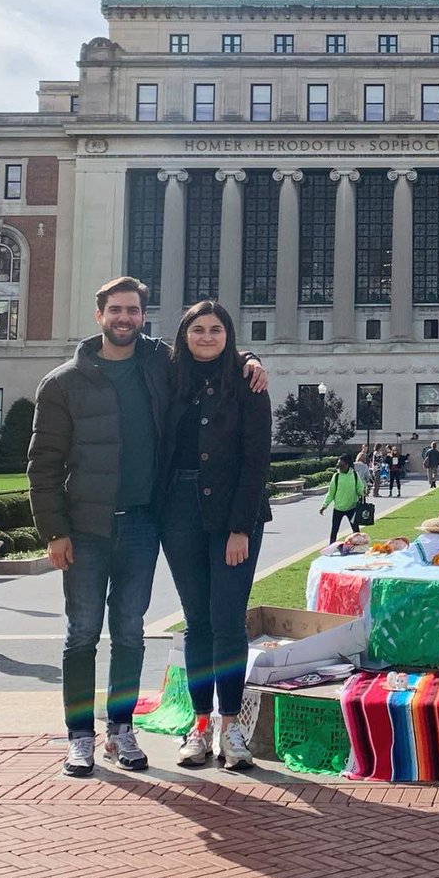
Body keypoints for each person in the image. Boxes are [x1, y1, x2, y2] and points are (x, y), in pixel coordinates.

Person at [27, 276, 266, 778]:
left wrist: (249, 360)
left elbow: (252, 454)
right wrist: (53, 530)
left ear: (143, 317)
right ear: (100, 315)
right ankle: (84, 736)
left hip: (150, 521)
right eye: (116, 310)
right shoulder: (73, 381)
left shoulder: (173, 367)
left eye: (133, 311)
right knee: (85, 634)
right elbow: (43, 463)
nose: (124, 318)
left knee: (139, 631)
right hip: (104, 523)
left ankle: (137, 729)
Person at [156, 301, 272, 771]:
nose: (206, 336)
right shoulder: (167, 378)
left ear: (229, 336)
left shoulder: (247, 383)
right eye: (197, 329)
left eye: (216, 329)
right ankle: (199, 726)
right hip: (178, 511)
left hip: (231, 515)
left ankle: (232, 725)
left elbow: (256, 461)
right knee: (196, 623)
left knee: (226, 621)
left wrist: (240, 527)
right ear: (183, 334)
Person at [320, 454, 365, 543]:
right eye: (338, 466)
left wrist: (363, 492)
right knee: (334, 531)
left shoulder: (354, 475)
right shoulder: (336, 476)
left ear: (348, 464)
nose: (340, 468)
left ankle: (360, 547)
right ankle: (331, 548)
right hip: (338, 508)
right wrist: (324, 505)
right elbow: (331, 493)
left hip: (352, 508)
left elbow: (360, 488)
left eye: (342, 466)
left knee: (356, 531)